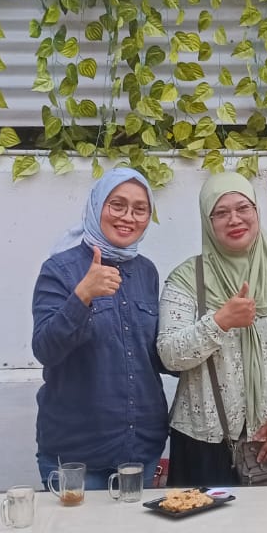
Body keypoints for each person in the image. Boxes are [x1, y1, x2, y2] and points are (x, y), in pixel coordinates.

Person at [158, 172, 267, 486]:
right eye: (221, 212)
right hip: (202, 441)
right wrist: (220, 321)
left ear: (256, 211)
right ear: (207, 221)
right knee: (201, 518)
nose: (234, 219)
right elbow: (170, 355)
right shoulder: (185, 279)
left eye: (243, 208)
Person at [32, 168, 169, 490]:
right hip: (77, 455)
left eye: (140, 209)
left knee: (136, 527)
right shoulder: (60, 269)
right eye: (117, 205)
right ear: (96, 207)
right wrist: (83, 295)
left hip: (141, 450)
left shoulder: (146, 272)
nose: (128, 217)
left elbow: (152, 354)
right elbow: (45, 350)